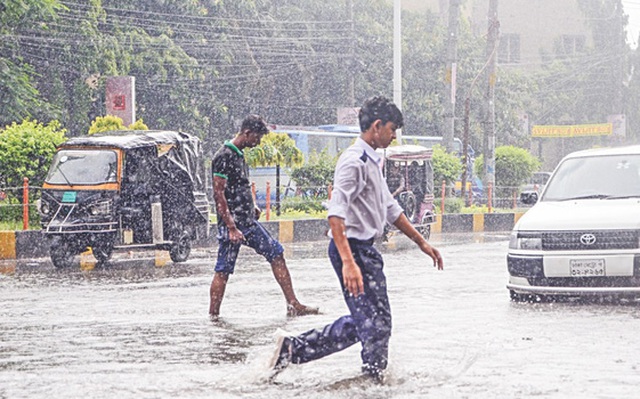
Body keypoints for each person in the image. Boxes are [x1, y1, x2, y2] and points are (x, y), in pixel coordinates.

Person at [269, 96, 444, 382]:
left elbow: (390, 208)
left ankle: (308, 354)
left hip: (365, 251)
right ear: (377, 126)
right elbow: (335, 216)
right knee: (372, 323)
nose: (393, 136)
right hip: (352, 250)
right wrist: (349, 263)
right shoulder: (353, 162)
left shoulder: (373, 160)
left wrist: (421, 242)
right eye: (392, 129)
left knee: (377, 322)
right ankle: (367, 377)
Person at [209, 115, 318, 319]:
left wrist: (254, 205)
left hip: (247, 221)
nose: (258, 142)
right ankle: (213, 316)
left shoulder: (239, 154)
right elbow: (219, 194)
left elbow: (241, 183)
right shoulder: (223, 156)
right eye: (257, 138)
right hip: (234, 224)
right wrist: (231, 227)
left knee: (276, 254)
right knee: (223, 269)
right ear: (247, 133)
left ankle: (293, 304)